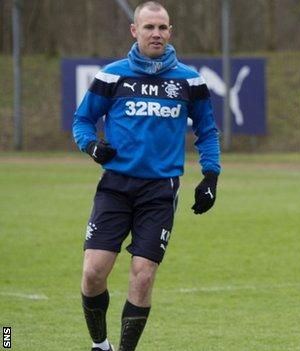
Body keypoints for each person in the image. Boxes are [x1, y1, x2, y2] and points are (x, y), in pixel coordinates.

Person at [72, 2, 220, 350]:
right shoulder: (112, 75)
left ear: (170, 32)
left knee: (143, 275)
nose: (157, 34)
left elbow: (208, 131)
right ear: (134, 30)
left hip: (160, 191)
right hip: (115, 187)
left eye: (163, 28)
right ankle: (100, 344)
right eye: (149, 27)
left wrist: (210, 176)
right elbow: (81, 121)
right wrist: (92, 147)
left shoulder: (189, 81)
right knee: (94, 273)